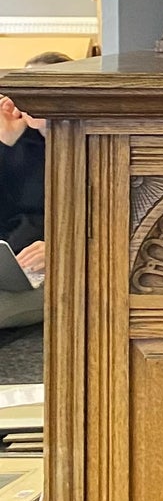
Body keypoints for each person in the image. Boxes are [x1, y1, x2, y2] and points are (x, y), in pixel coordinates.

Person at [0, 51, 70, 332]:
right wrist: (5, 144)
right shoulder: (17, 143)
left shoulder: (88, 148)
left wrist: (59, 249)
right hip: (11, 266)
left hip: (56, 270)